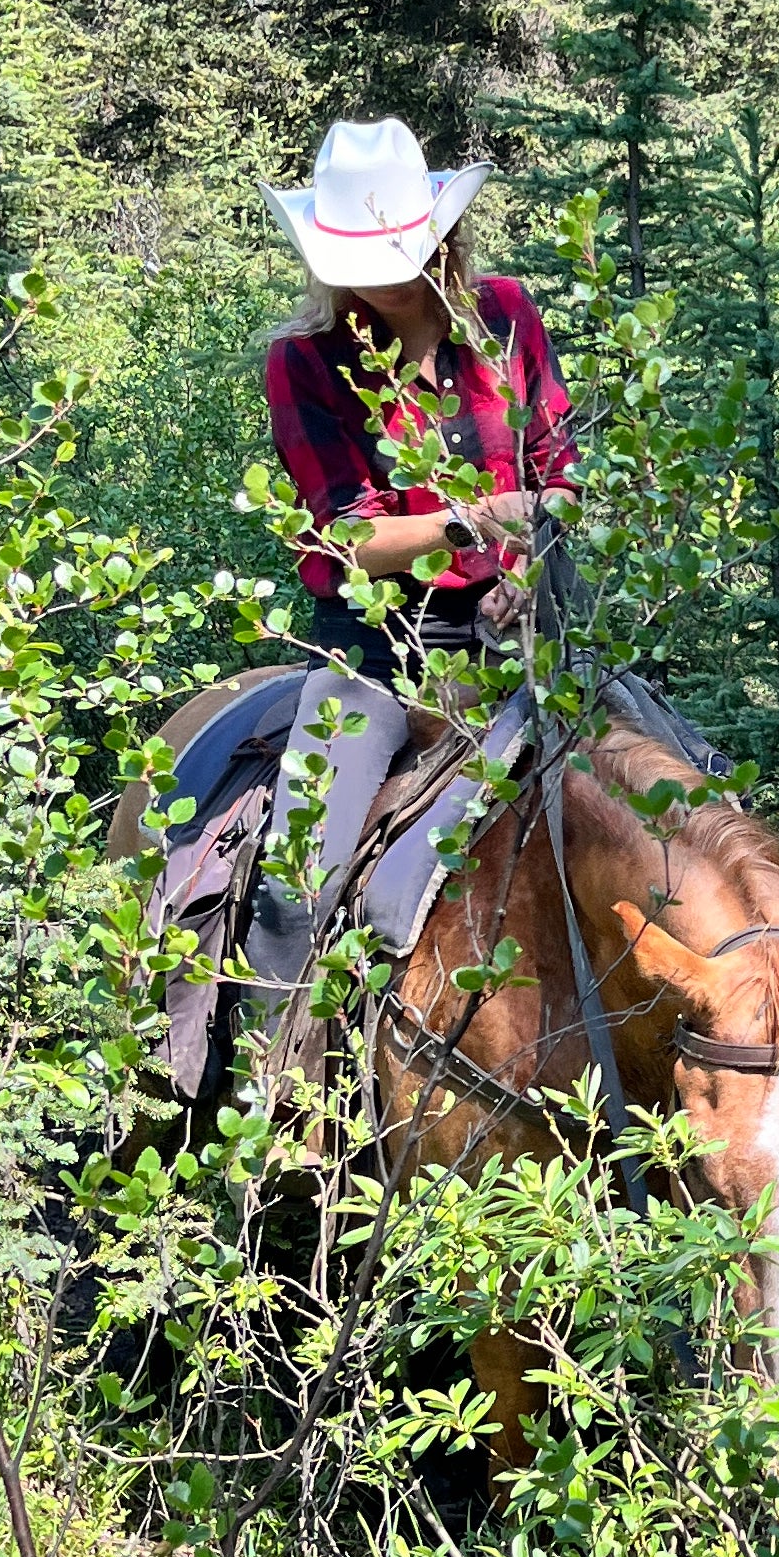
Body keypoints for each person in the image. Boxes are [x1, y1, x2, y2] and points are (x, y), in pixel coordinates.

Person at [247, 116, 580, 1026]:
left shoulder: (504, 313)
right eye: (360, 258)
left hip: (525, 626)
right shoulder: (306, 361)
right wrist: (471, 520)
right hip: (379, 644)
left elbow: (559, 465)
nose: (384, 273)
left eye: (397, 249)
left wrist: (532, 559)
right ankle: (279, 1072)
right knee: (300, 873)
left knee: (673, 790)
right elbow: (345, 536)